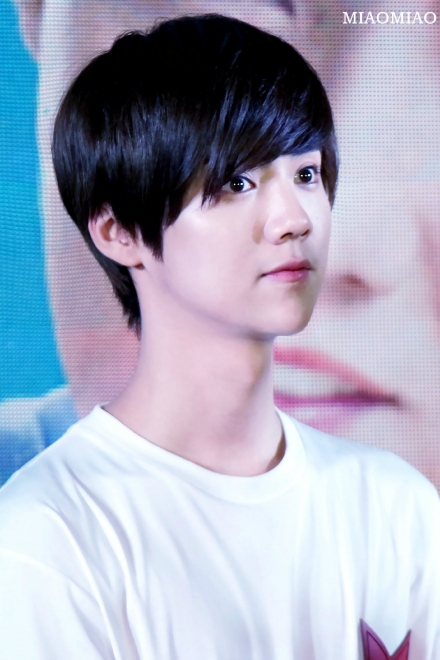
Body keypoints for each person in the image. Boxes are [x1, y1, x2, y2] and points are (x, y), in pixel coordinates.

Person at [0, 15, 439, 659]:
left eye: (307, 175)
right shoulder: (48, 535)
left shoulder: (396, 507)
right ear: (117, 231)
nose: (294, 221)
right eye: (237, 182)